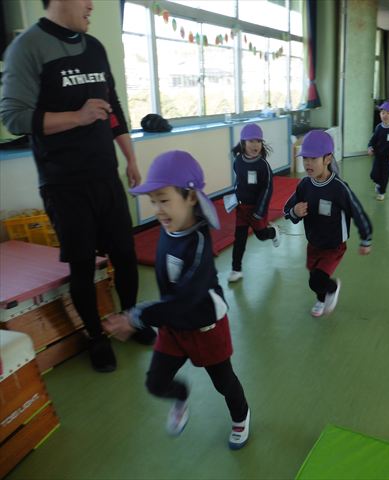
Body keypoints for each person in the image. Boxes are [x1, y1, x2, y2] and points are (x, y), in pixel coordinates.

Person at [0, 0, 155, 373]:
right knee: (82, 265)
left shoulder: (94, 47)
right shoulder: (27, 47)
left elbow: (113, 107)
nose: (91, 5)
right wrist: (77, 116)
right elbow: (14, 117)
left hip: (106, 175)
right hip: (64, 184)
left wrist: (130, 158)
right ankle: (96, 337)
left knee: (125, 253)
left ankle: (130, 318)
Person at [104, 150, 251, 449]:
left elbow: (186, 299)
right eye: (153, 201)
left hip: (205, 327)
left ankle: (241, 416)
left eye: (164, 200)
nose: (158, 210)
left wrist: (136, 316)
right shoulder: (169, 228)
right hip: (173, 325)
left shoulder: (198, 245)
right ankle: (181, 396)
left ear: (191, 197)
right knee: (155, 383)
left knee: (224, 382)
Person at [284, 130, 373, 317]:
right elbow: (287, 209)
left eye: (313, 158)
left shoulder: (339, 188)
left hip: (334, 245)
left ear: (327, 159)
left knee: (317, 279)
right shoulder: (304, 185)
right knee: (314, 278)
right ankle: (321, 299)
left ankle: (333, 288)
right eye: (305, 158)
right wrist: (295, 212)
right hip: (314, 242)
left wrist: (366, 238)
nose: (308, 163)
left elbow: (357, 211)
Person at [228, 123, 280, 283]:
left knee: (261, 235)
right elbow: (239, 181)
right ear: (243, 142)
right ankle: (236, 269)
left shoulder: (263, 166)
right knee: (239, 239)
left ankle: (273, 232)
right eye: (251, 141)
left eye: (258, 141)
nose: (255, 145)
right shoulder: (238, 161)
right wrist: (234, 198)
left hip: (257, 209)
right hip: (242, 209)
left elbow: (267, 189)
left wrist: (260, 211)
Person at [367, 101, 389, 201]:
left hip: (388, 158)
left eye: (388, 113)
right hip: (378, 156)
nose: (385, 115)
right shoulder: (378, 128)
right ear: (380, 115)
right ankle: (378, 183)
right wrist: (370, 147)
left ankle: (381, 192)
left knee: (384, 176)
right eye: (383, 113)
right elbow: (372, 140)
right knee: (374, 174)